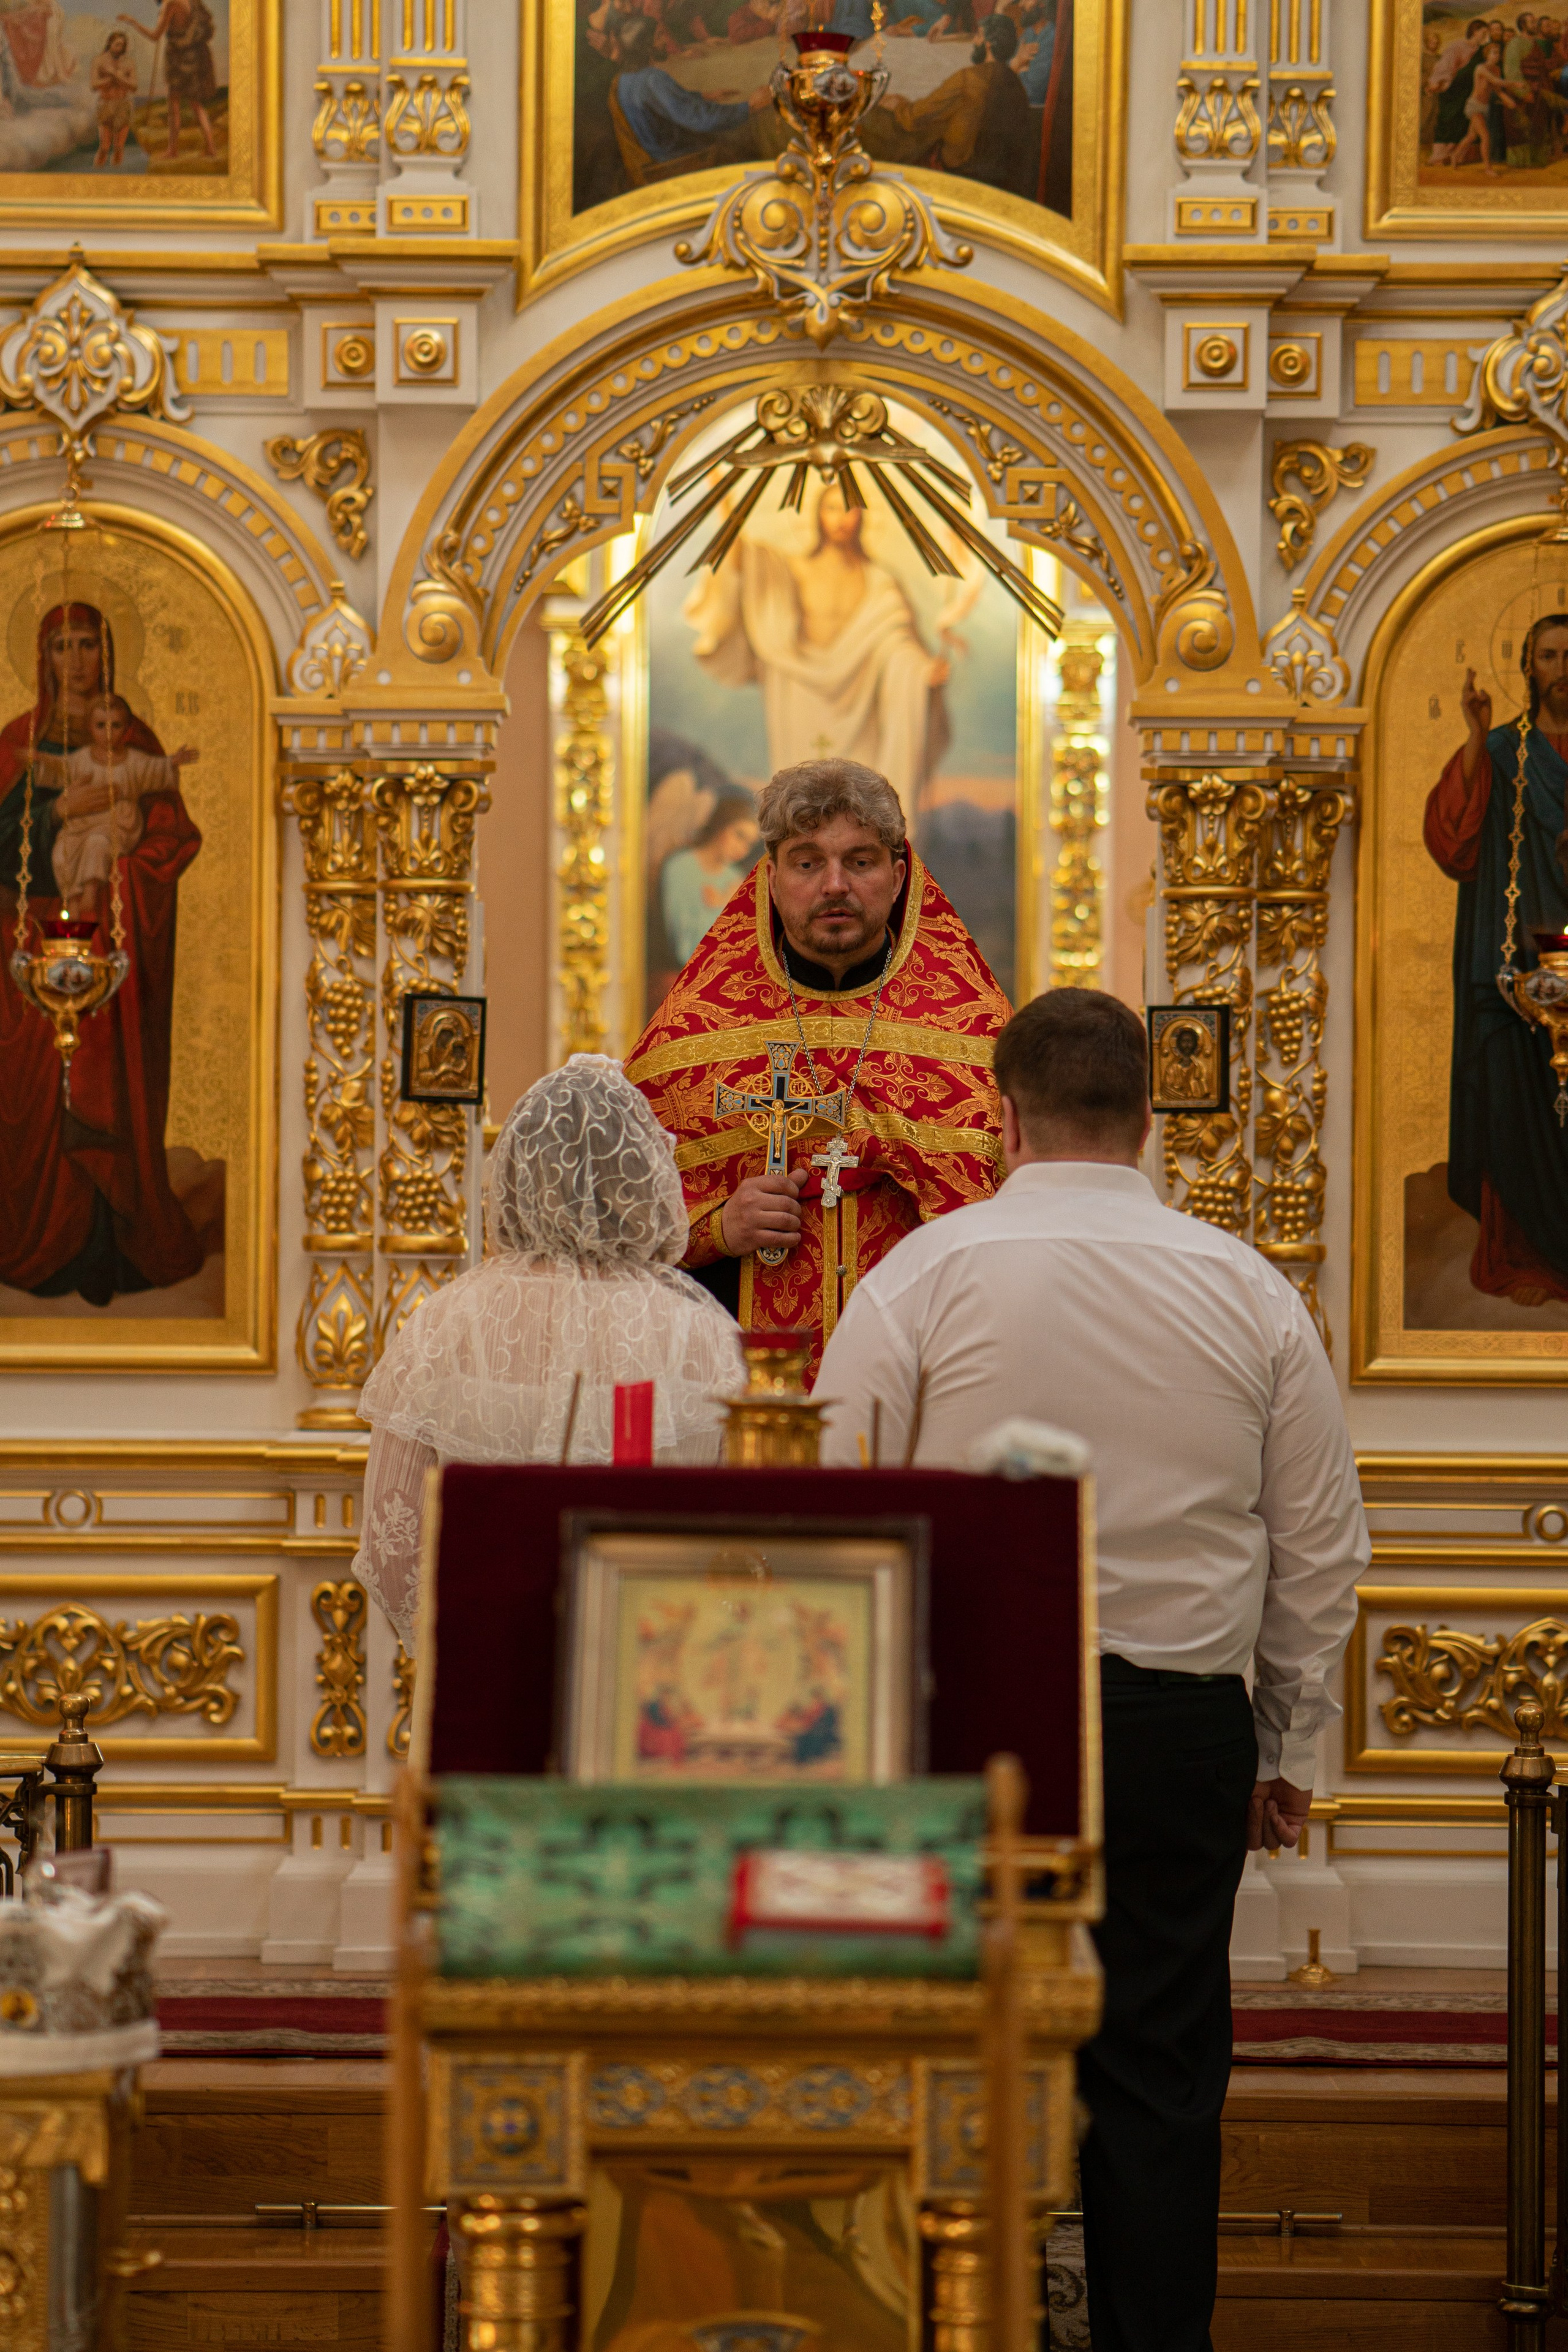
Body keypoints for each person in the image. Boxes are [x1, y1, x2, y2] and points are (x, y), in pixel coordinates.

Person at [816, 987, 1369, 2352]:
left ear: (1000, 1112)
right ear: (1146, 1114)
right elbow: (1316, 1550)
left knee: (954, 2054)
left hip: (967, 1730)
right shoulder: (1247, 1289)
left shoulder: (922, 1275)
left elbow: (829, 1514)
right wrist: (1281, 1747)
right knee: (1162, 2069)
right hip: (1180, 1724)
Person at [627, 757, 1008, 1379]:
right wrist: (718, 1228)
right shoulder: (689, 1036)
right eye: (808, 863)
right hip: (741, 1393)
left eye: (860, 861)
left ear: (898, 873)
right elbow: (623, 1225)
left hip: (920, 1380)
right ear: (771, 878)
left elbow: (1013, 1223)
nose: (834, 884)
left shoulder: (974, 1034)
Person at [352, 1056, 746, 1651]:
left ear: (515, 1174)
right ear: (644, 1176)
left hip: (489, 1667)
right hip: (654, 1677)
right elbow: (743, 1538)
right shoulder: (703, 1334)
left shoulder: (444, 1324)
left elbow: (391, 1546)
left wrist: (471, 1653)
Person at [0, 601, 204, 1304]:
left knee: (112, 1090)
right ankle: (36, 1243)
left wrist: (126, 870)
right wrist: (57, 813)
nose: (78, 661)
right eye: (63, 647)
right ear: (42, 658)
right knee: (34, 1103)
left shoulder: (135, 739)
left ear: (110, 653)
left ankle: (111, 1248)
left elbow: (171, 837)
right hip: (29, 948)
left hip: (117, 946)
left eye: (89, 645)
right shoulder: (18, 742)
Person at [1424, 617, 1568, 1306]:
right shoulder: (1506, 752)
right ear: (1527, 667)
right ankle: (1526, 1257)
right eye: (1548, 655)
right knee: (1516, 1104)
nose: (1561, 666)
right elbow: (1452, 841)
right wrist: (1477, 740)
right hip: (1514, 971)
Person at [682, 480, 959, 826]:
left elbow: (897, 644)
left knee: (861, 815)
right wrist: (727, 507)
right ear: (817, 516)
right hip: (800, 694)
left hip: (861, 704)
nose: (840, 518)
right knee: (802, 810)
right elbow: (742, 560)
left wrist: (920, 671)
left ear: (862, 517)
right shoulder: (793, 569)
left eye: (849, 509)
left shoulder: (879, 582)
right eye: (831, 508)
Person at [45, 693, 197, 919]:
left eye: (115, 726)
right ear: (90, 727)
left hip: (119, 823)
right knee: (62, 851)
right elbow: (61, 770)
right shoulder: (82, 759)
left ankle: (90, 890)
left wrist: (172, 762)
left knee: (97, 844)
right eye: (100, 725)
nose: (108, 733)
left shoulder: (133, 760)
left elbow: (154, 769)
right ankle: (73, 898)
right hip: (83, 823)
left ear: (126, 729)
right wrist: (39, 760)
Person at [866, 10, 1036, 194]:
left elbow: (915, 117)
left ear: (989, 44)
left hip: (961, 168)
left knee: (884, 124)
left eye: (979, 35)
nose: (974, 41)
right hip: (998, 171)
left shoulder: (968, 78)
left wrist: (898, 104)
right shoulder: (1014, 81)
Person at [659, 788, 760, 966]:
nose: (742, 849)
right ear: (721, 825)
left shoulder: (736, 877)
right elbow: (685, 947)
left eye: (749, 844)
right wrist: (721, 905)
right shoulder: (681, 867)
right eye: (739, 835)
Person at [115, 1, 219, 160]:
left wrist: (133, 22)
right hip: (194, 57)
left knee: (174, 105)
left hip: (178, 59)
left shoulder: (170, 4)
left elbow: (155, 36)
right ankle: (211, 148)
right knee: (196, 105)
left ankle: (172, 150)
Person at [91, 31, 137, 167]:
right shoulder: (99, 61)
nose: (120, 48)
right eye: (117, 44)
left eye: (122, 45)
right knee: (104, 147)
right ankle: (97, 173)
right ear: (110, 43)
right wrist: (114, 77)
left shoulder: (129, 62)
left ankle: (117, 176)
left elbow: (134, 86)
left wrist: (115, 75)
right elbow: (94, 85)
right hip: (106, 104)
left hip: (123, 105)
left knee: (119, 147)